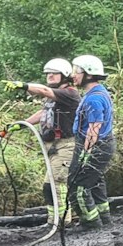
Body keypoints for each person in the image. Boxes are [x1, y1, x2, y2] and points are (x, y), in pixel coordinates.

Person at [6, 58, 81, 211]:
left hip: (66, 146)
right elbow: (44, 112)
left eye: (54, 74)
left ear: (65, 75)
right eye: (47, 74)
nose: (49, 76)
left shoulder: (69, 94)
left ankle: (60, 223)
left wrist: (24, 85)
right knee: (49, 187)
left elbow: (43, 90)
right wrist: (21, 124)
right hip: (52, 146)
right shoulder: (53, 97)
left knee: (55, 185)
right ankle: (53, 221)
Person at [65, 54, 116, 228]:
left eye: (76, 71)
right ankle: (105, 219)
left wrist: (84, 155)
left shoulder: (94, 99)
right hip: (101, 145)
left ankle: (90, 223)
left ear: (88, 74)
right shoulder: (97, 93)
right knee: (94, 182)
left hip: (95, 146)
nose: (73, 75)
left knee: (77, 186)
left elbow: (93, 130)